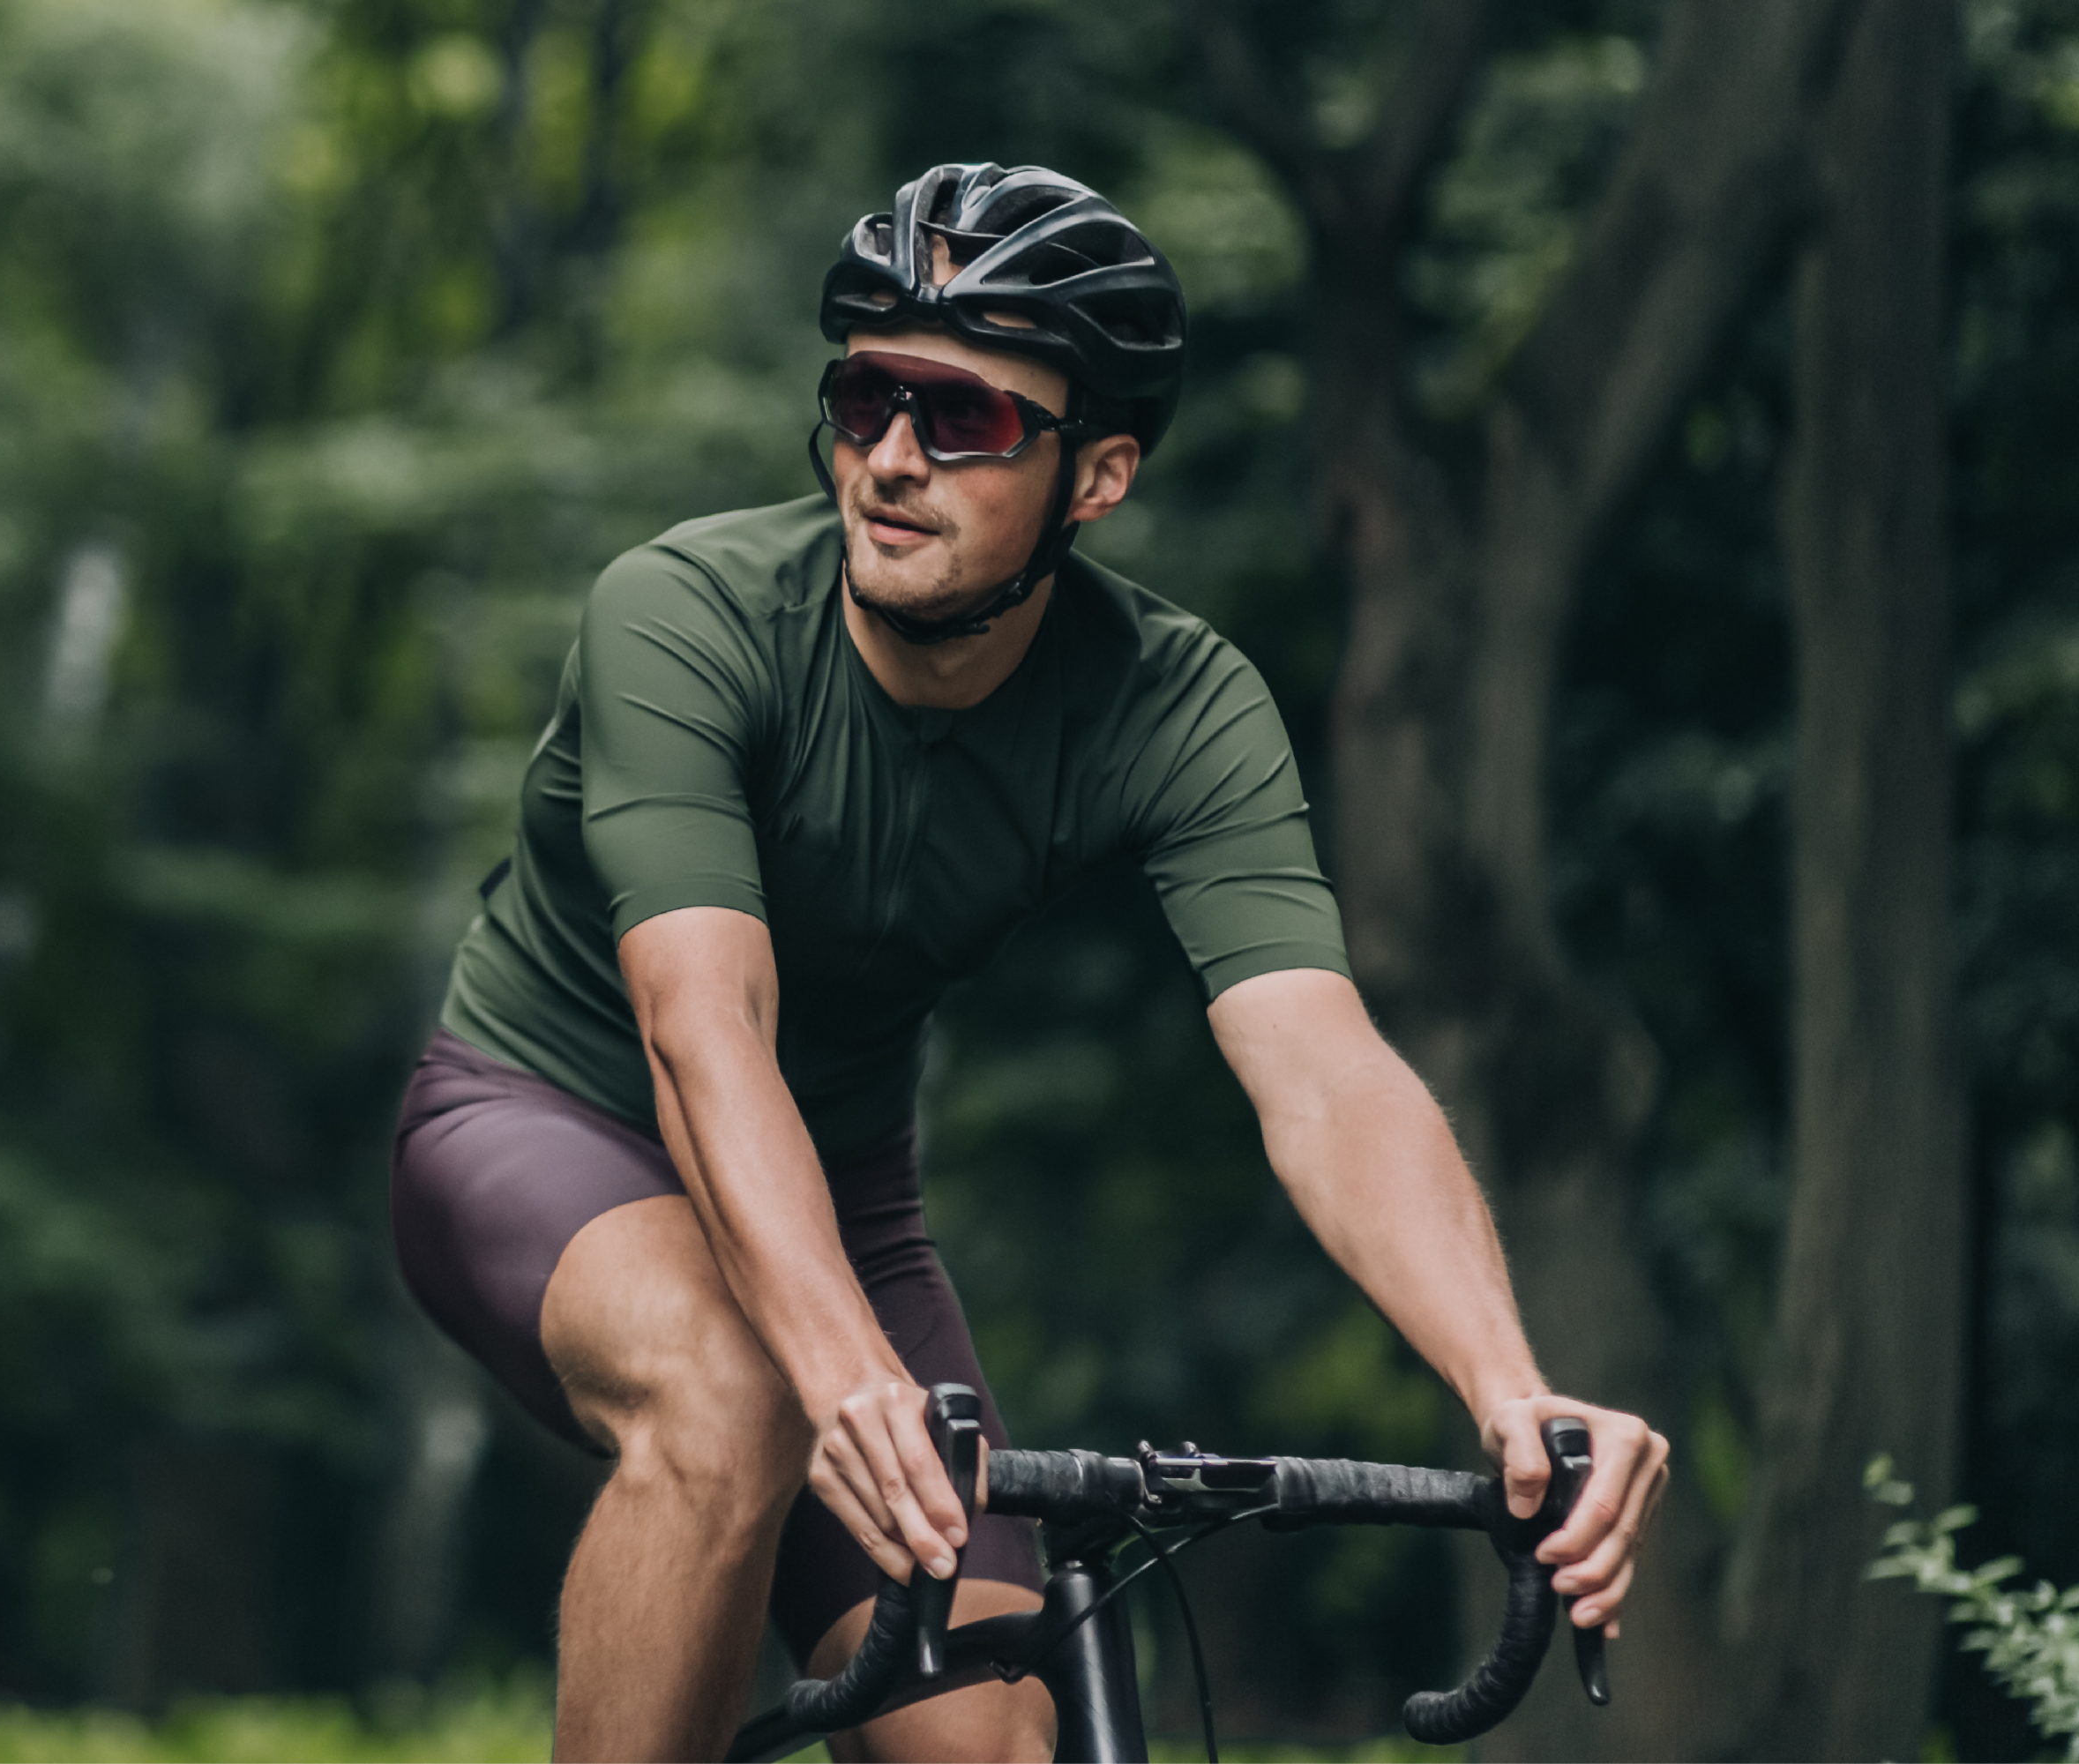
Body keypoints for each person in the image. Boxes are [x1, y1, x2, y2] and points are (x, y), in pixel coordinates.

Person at [387, 163, 1674, 1764]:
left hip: (849, 1202)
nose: (893, 458)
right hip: (546, 1125)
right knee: (733, 1396)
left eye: (968, 419)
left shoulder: (1172, 705)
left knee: (986, 1743)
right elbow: (704, 1030)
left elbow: (1326, 1074)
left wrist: (1507, 1387)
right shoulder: (685, 615)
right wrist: (841, 1372)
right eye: (867, 395)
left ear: (1098, 473)